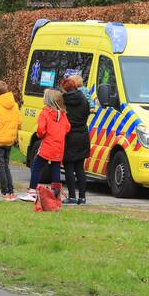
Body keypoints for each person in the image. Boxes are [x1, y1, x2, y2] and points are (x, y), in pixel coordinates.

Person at [20, 88, 70, 202]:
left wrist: (40, 135)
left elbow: (41, 130)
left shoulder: (45, 113)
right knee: (55, 168)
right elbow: (67, 127)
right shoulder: (63, 115)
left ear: (48, 100)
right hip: (59, 146)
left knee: (36, 166)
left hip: (47, 146)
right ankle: (55, 193)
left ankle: (32, 192)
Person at [61, 75, 90, 205]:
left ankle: (72, 196)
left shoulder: (63, 101)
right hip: (83, 135)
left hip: (69, 136)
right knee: (80, 168)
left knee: (68, 168)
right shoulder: (84, 99)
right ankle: (82, 197)